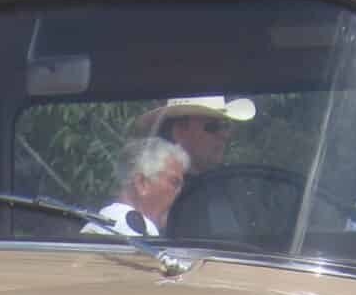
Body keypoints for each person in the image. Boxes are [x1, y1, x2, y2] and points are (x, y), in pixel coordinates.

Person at [136, 95, 254, 239]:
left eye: (225, 126)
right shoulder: (154, 188)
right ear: (179, 131)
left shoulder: (225, 187)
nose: (224, 135)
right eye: (213, 126)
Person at [87, 138, 189, 238]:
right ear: (142, 183)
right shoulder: (138, 235)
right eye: (174, 183)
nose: (179, 192)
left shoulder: (99, 224)